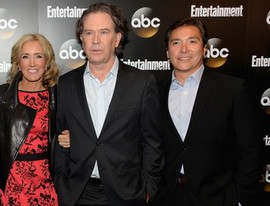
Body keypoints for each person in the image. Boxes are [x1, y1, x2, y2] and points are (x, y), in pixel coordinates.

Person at [54, 2, 163, 206]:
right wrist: (61, 182)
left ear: (117, 38)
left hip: (127, 194)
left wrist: (148, 189)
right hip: (78, 194)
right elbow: (61, 138)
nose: (95, 40)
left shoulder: (142, 82)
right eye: (89, 33)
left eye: (104, 32)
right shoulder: (66, 84)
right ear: (81, 39)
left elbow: (152, 142)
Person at [154, 17, 263, 206]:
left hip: (216, 197)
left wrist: (238, 198)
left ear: (204, 49)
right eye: (176, 43)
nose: (184, 49)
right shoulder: (154, 91)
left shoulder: (232, 90)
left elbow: (251, 150)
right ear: (167, 51)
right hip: (166, 196)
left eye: (192, 41)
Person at [0, 33, 66, 205]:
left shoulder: (59, 96)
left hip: (47, 185)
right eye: (25, 57)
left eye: (38, 56)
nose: (32, 63)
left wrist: (72, 137)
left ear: (47, 61)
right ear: (18, 61)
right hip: (12, 185)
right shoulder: (1, 96)